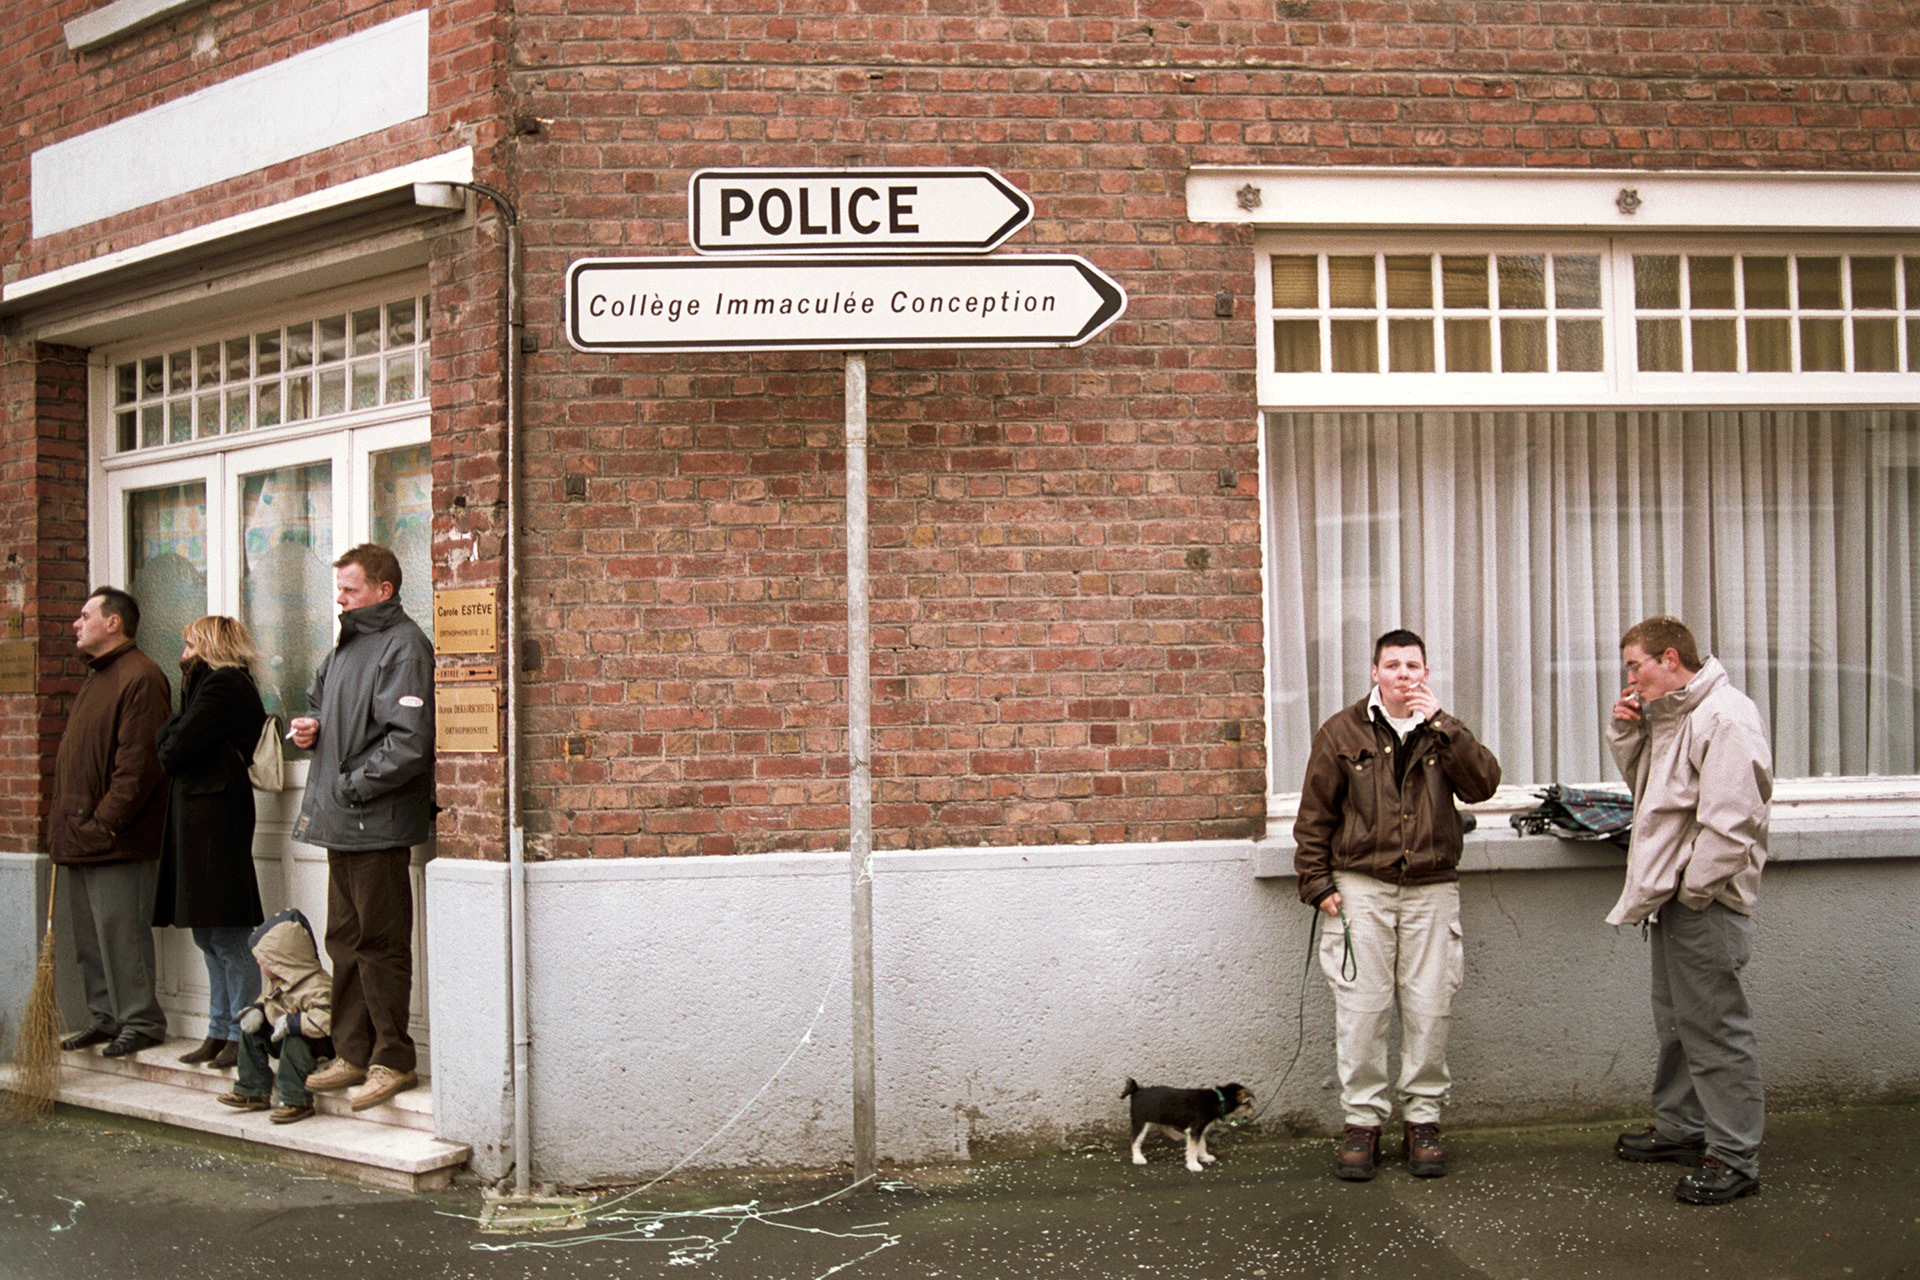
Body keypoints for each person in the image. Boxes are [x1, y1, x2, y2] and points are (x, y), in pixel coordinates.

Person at [1293, 628, 1501, 1181]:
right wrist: (1318, 884)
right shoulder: (1341, 731)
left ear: (1426, 674)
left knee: (1430, 1007)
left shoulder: (1443, 732)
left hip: (1432, 888)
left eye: (1414, 666)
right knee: (1361, 1010)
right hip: (1361, 887)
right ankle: (1362, 1123)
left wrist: (1445, 726)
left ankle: (1423, 1122)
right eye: (1394, 665)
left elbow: (1483, 785)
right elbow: (1315, 815)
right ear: (1374, 672)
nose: (1404, 675)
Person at [1606, 616, 1772, 1206]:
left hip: (1702, 902)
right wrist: (1629, 734)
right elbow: (1653, 795)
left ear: (1669, 659)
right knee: (1677, 1021)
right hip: (1673, 898)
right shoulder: (1676, 716)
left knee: (1715, 1028)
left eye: (1635, 665)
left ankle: (1733, 1156)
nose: (1629, 678)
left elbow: (1733, 821)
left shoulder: (1725, 716)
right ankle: (1682, 1128)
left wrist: (1693, 891)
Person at [291, 544, 434, 1112]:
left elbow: (409, 741)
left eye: (350, 590)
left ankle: (392, 1059)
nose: (341, 599)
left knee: (379, 944)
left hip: (375, 822)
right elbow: (324, 708)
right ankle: (352, 1052)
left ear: (384, 589)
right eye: (339, 590)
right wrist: (311, 727)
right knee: (345, 942)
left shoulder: (404, 647)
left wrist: (352, 786)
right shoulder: (347, 646)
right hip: (341, 822)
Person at [52, 587, 174, 1059]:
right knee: (91, 940)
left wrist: (105, 824)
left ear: (114, 623)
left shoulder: (140, 677)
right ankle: (105, 1017)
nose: (77, 624)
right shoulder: (99, 677)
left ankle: (140, 1021)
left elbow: (139, 765)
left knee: (122, 934)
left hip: (116, 839)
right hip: (82, 835)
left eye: (86, 616)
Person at [153, 616, 269, 1070]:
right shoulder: (206, 686)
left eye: (188, 645)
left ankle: (243, 1033)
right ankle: (218, 1031)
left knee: (228, 933)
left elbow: (172, 746)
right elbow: (172, 738)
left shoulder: (225, 685)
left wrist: (173, 733)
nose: (183, 655)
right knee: (207, 933)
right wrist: (174, 731)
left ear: (208, 646)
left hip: (215, 821)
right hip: (199, 819)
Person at [218, 907, 332, 1124]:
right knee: (251, 1034)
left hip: (318, 1043)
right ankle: (253, 1088)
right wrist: (258, 1011)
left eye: (264, 961)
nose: (259, 964)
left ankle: (296, 1099)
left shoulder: (318, 985)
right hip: (284, 1032)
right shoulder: (280, 979)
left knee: (295, 1042)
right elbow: (269, 999)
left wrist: (293, 1023)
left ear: (283, 960)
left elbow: (325, 1020)